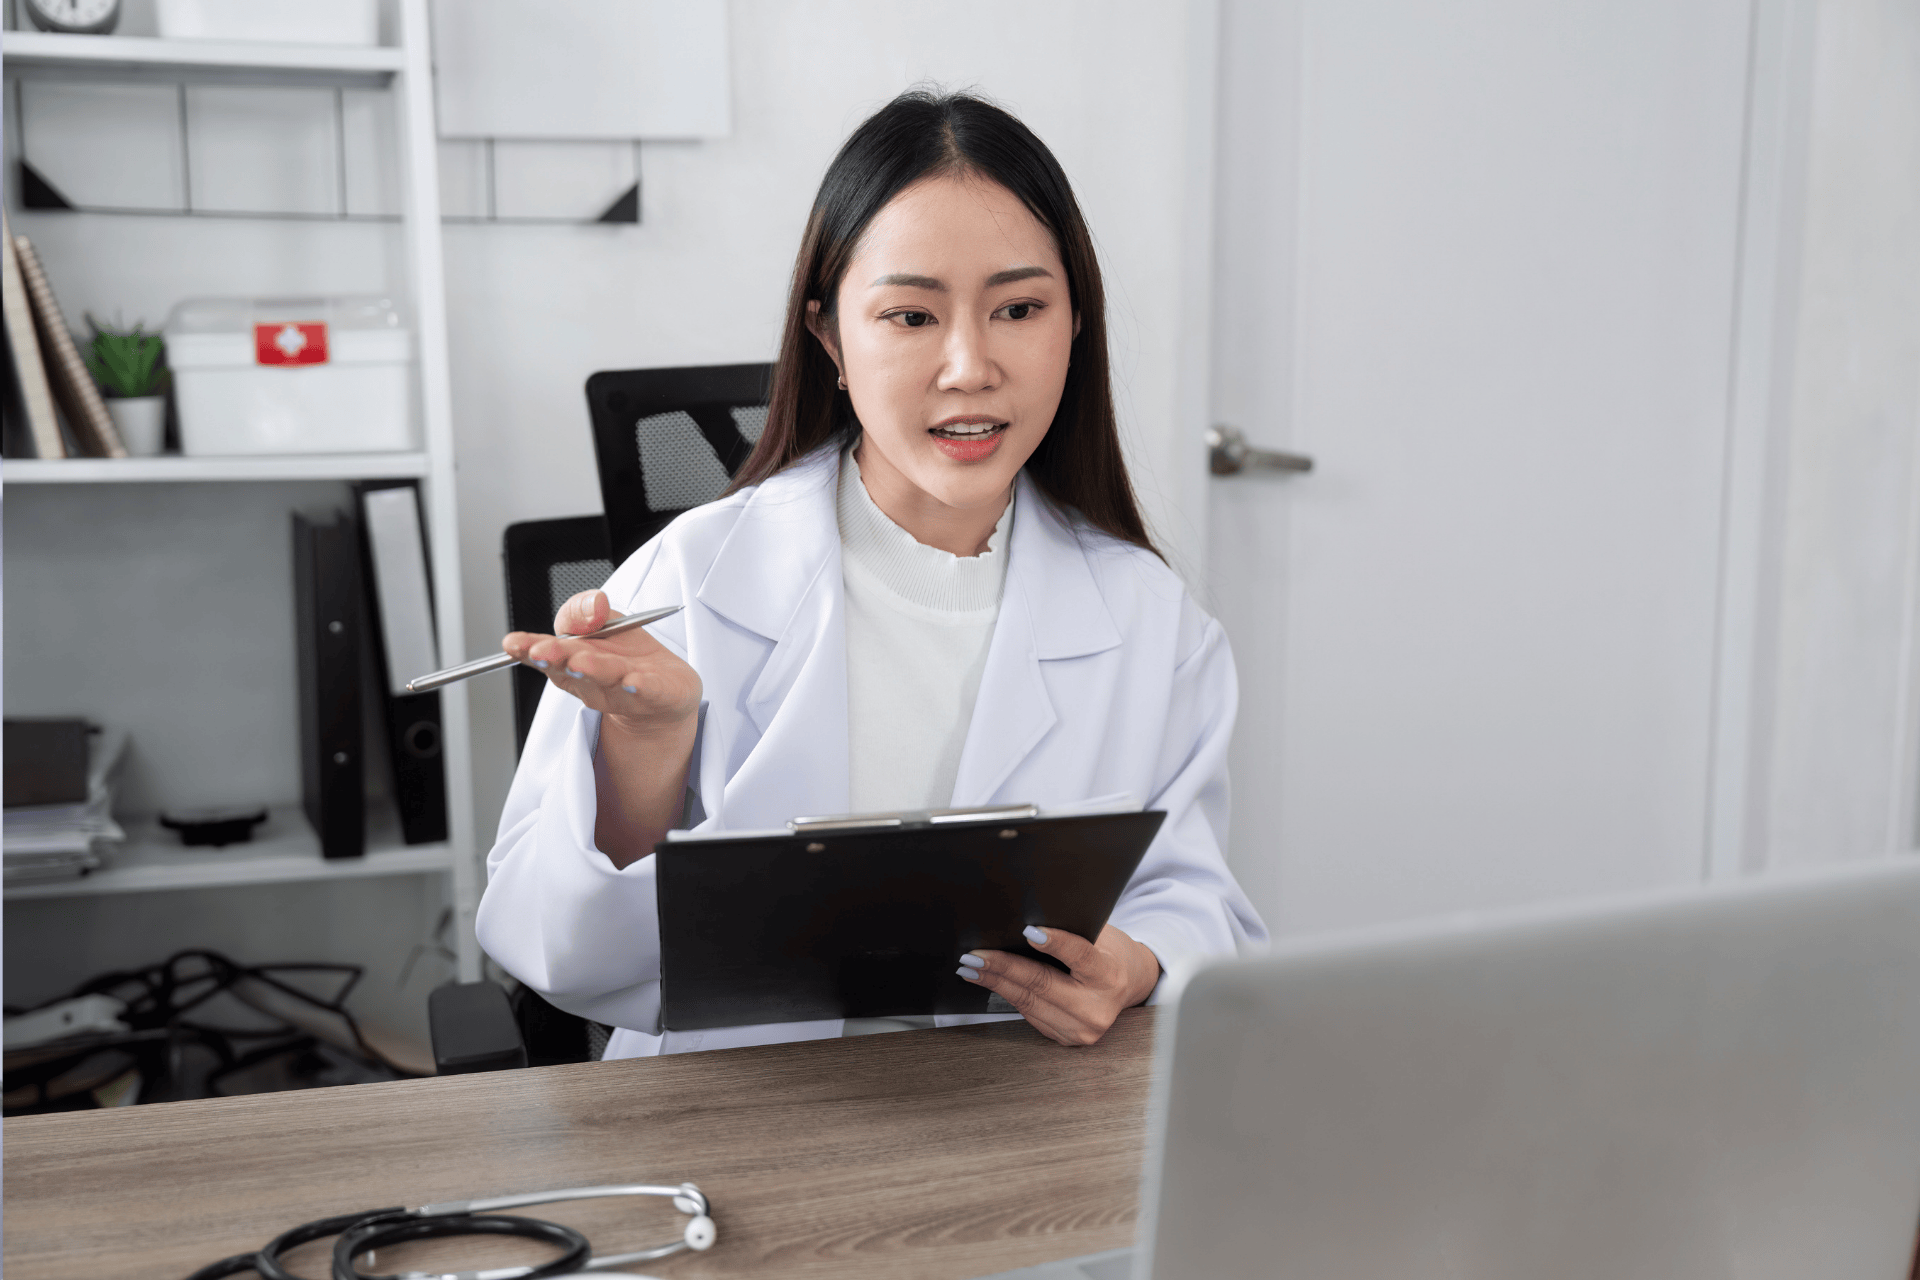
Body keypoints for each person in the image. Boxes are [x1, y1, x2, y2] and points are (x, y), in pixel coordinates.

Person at [477, 89, 1267, 1059]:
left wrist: (1135, 964)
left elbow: (1195, 898)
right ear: (829, 339)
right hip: (740, 1107)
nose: (969, 366)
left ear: (1075, 324)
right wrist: (646, 746)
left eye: (1020, 309)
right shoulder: (688, 583)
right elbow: (551, 947)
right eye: (910, 315)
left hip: (1027, 1101)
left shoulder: (1152, 621)